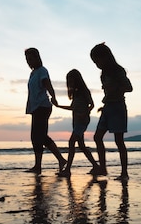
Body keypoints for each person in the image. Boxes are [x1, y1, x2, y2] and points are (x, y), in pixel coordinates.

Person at [90, 42, 133, 181]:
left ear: (106, 57)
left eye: (97, 60)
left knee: (119, 141)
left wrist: (116, 91)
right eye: (94, 62)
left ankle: (124, 173)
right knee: (97, 137)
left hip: (118, 108)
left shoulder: (118, 71)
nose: (96, 64)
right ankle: (103, 168)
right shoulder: (103, 73)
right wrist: (105, 104)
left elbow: (129, 87)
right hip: (108, 107)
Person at [24, 47, 66, 175]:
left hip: (43, 107)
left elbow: (48, 85)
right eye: (27, 59)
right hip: (35, 107)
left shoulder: (42, 71)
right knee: (37, 137)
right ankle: (58, 160)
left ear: (37, 58)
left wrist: (54, 97)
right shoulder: (33, 73)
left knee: (39, 136)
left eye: (31, 58)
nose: (29, 61)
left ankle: (40, 166)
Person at [54, 69, 101, 177]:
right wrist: (58, 106)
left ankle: (68, 169)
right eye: (69, 80)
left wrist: (84, 113)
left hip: (82, 121)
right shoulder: (75, 93)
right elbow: (72, 108)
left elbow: (92, 105)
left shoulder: (84, 91)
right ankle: (95, 166)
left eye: (71, 80)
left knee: (71, 142)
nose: (70, 82)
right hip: (76, 121)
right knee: (81, 145)